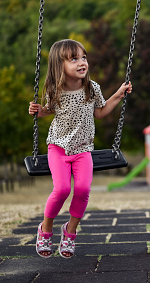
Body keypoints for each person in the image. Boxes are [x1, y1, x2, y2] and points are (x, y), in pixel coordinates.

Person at [28, 39, 132, 258]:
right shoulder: (55, 90)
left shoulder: (92, 88)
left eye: (83, 57)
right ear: (59, 65)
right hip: (58, 147)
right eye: (73, 59)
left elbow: (101, 112)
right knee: (62, 189)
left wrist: (119, 94)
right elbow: (49, 110)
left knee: (83, 190)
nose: (81, 62)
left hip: (83, 149)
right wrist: (38, 111)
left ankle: (70, 231)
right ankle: (46, 228)